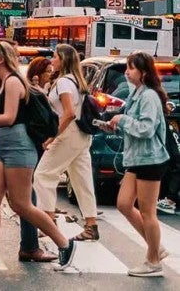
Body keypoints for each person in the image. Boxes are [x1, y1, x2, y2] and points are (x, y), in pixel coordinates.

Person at [0, 40, 76, 271]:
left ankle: (64, 243)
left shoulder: (12, 81)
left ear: (1, 58)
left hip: (19, 148)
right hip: (3, 146)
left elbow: (9, 118)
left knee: (21, 204)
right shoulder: (1, 81)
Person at [106, 52, 170, 277]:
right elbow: (135, 126)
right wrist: (117, 124)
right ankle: (156, 247)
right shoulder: (137, 94)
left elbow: (146, 128)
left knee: (147, 212)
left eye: (131, 68)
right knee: (124, 204)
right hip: (136, 159)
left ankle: (153, 260)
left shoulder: (149, 96)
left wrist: (122, 120)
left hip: (150, 159)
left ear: (143, 72)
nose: (126, 72)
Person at [33, 44, 99, 241]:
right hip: (81, 136)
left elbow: (68, 113)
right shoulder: (77, 81)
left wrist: (53, 135)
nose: (52, 61)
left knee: (43, 175)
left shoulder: (64, 83)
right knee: (82, 180)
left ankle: (48, 222)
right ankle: (91, 224)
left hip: (67, 134)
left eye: (55, 57)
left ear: (63, 60)